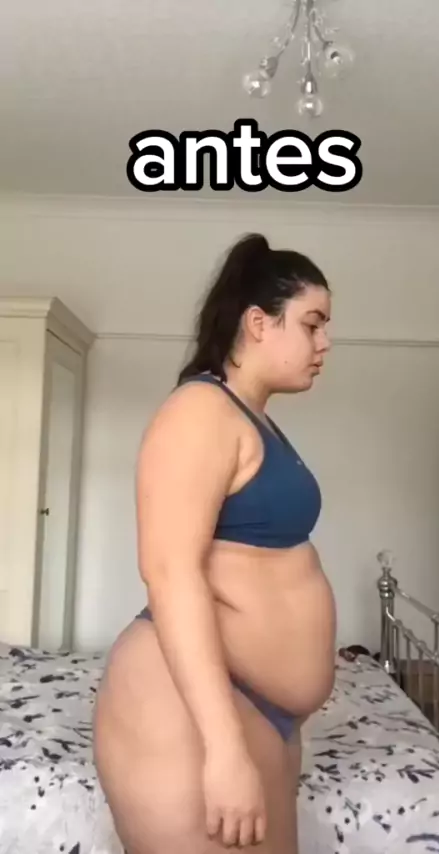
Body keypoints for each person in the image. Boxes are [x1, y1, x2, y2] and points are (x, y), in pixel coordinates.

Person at [93, 232, 337, 854]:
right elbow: (170, 573)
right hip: (191, 706)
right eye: (312, 324)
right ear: (258, 323)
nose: (325, 343)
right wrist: (224, 748)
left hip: (255, 705)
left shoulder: (254, 420)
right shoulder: (199, 412)